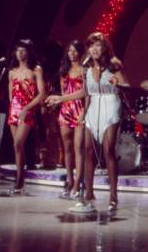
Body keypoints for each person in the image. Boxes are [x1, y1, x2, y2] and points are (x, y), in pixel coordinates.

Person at [47, 32, 128, 212]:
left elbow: (127, 86)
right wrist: (62, 99)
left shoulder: (114, 65)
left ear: (105, 47)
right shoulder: (87, 68)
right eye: (91, 46)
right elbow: (85, 92)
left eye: (98, 45)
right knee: (88, 150)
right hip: (93, 108)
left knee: (108, 151)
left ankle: (113, 196)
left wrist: (119, 83)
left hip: (110, 104)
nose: (94, 49)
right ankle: (88, 193)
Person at [7, 39, 45, 195]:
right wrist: (13, 108)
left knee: (18, 143)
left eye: (23, 50)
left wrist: (27, 108)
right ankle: (19, 179)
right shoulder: (12, 72)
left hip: (27, 109)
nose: (20, 53)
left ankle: (20, 179)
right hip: (14, 110)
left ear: (29, 52)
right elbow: (10, 94)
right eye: (18, 50)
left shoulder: (36, 70)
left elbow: (41, 94)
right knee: (17, 147)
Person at [54, 40, 85, 199]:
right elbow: (63, 92)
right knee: (66, 148)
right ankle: (69, 179)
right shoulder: (63, 70)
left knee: (78, 148)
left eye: (75, 51)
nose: (72, 54)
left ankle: (78, 183)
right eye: (70, 51)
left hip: (80, 111)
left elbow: (87, 94)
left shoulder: (85, 70)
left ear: (80, 52)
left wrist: (84, 113)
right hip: (65, 110)